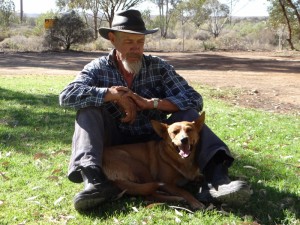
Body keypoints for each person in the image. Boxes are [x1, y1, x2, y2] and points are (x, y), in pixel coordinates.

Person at [59, 9, 251, 212]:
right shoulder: (98, 68)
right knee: (87, 112)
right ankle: (95, 183)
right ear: (113, 39)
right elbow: (66, 96)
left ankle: (217, 180)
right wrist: (112, 94)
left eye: (140, 42)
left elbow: (194, 99)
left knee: (189, 115)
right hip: (113, 140)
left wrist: (152, 104)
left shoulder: (158, 67)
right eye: (128, 42)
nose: (135, 48)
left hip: (154, 137)